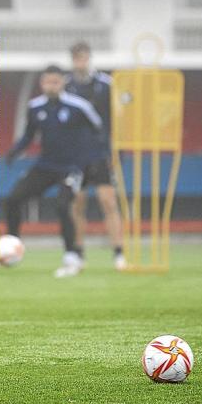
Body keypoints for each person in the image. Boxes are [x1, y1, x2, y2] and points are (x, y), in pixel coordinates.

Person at [5, 65, 102, 278]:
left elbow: (99, 129)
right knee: (13, 199)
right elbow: (29, 136)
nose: (51, 86)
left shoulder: (79, 107)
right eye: (47, 82)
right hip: (45, 166)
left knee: (62, 205)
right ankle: (11, 247)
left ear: (63, 82)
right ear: (42, 83)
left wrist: (92, 161)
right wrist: (14, 152)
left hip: (72, 168)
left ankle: (72, 256)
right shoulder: (35, 107)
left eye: (55, 82)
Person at [65, 41, 126, 270]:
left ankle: (119, 253)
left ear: (89, 58)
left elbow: (118, 119)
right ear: (72, 60)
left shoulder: (106, 84)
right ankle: (79, 254)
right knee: (78, 205)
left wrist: (117, 150)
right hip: (76, 156)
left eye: (83, 57)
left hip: (100, 154)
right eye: (76, 57)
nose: (80, 61)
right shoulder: (67, 86)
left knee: (108, 202)